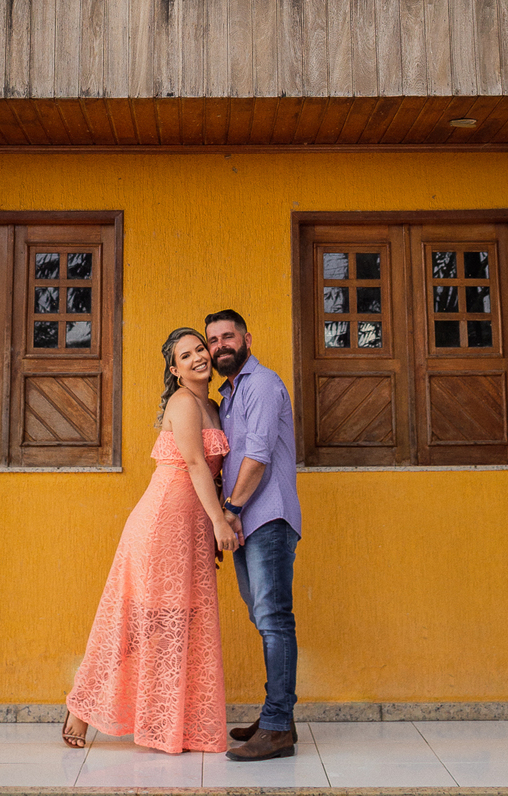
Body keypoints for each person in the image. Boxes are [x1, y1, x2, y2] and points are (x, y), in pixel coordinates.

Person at [62, 328, 238, 755]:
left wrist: (209, 527)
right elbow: (196, 463)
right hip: (162, 523)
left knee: (181, 621)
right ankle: (80, 709)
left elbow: (213, 475)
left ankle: (176, 723)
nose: (198, 357)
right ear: (175, 371)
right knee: (140, 622)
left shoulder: (212, 405)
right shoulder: (183, 403)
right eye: (187, 355)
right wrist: (219, 522)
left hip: (191, 528)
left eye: (201, 349)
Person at [205, 308, 301, 762]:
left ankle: (279, 726)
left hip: (268, 518)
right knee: (264, 618)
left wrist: (230, 511)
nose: (220, 345)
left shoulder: (261, 384)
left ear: (247, 337)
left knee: (274, 619)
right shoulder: (228, 395)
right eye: (213, 340)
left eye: (228, 336)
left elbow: (258, 456)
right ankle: (276, 715)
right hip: (247, 520)